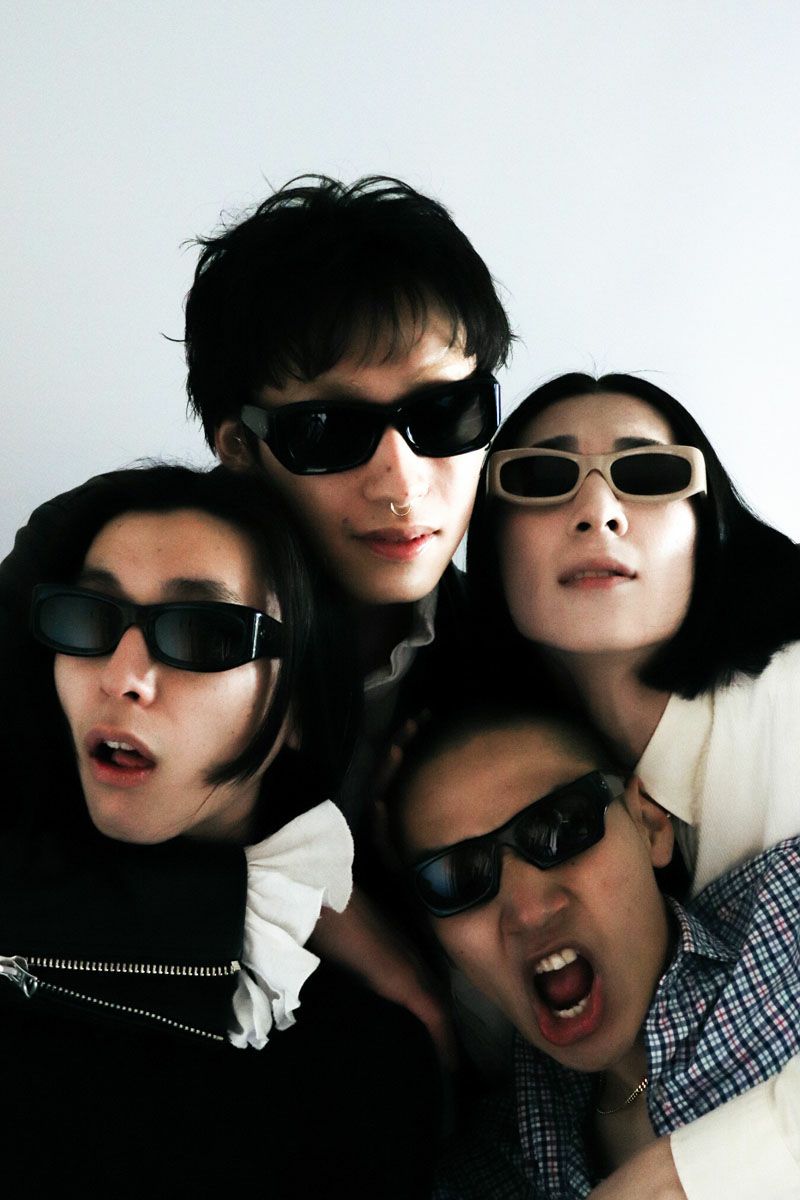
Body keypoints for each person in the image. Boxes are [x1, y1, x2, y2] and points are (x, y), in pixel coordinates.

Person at [0, 464, 441, 1197]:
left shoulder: (363, 1063)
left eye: (203, 634)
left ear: (299, 705)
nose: (122, 676)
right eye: (87, 617)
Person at [183, 173, 513, 1045]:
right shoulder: (112, 574)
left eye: (442, 413)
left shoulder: (521, 641)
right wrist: (375, 950)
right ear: (239, 448)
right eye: (330, 431)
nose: (401, 481)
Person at [467, 372, 800, 1197]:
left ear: (706, 525)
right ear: (490, 544)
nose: (598, 510)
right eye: (543, 478)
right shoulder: (494, 810)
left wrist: (680, 1177)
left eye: (648, 474)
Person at [388, 704, 800, 1198]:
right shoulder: (494, 1165)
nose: (528, 912)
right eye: (456, 879)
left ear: (650, 825)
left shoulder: (786, 911)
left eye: (563, 827)